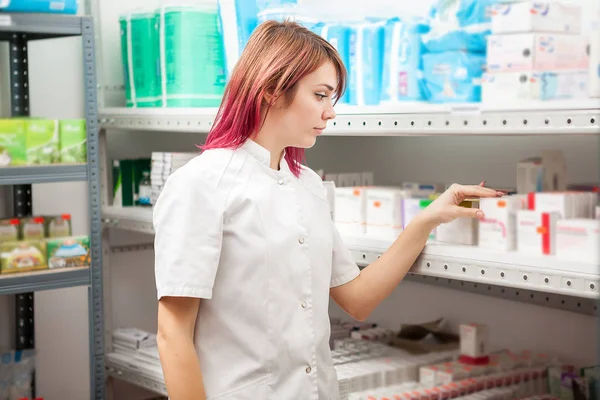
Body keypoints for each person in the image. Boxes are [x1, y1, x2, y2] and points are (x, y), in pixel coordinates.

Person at [153, 20, 502, 400]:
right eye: (320, 95)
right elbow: (172, 333)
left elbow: (358, 299)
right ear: (271, 90)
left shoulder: (307, 184)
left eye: (332, 99)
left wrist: (426, 220)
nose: (330, 113)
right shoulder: (202, 183)